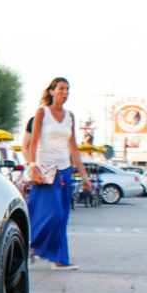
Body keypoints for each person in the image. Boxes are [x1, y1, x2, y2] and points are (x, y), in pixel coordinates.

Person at [24, 77, 91, 269]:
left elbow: (73, 148)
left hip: (64, 170)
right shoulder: (42, 113)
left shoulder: (69, 116)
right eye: (61, 88)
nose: (65, 92)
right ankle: (31, 245)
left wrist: (84, 175)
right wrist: (33, 166)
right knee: (52, 214)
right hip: (45, 171)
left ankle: (59, 260)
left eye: (67, 89)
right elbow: (33, 143)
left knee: (62, 215)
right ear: (52, 91)